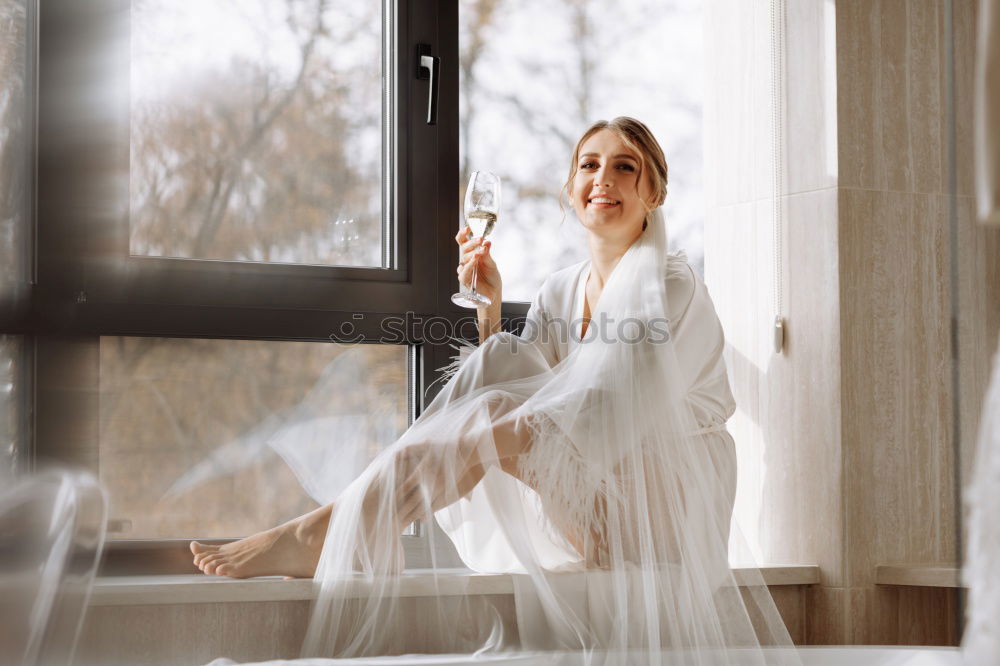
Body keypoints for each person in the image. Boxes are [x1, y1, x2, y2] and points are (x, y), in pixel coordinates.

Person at [189, 117, 796, 663]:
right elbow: (520, 378)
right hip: (595, 498)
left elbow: (599, 414)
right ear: (570, 189)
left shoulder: (671, 287)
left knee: (495, 416)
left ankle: (330, 528)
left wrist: (455, 444)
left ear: (653, 194)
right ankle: (344, 524)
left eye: (624, 166)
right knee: (500, 363)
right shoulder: (564, 289)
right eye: (588, 165)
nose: (602, 178)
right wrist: (491, 309)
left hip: (665, 515)